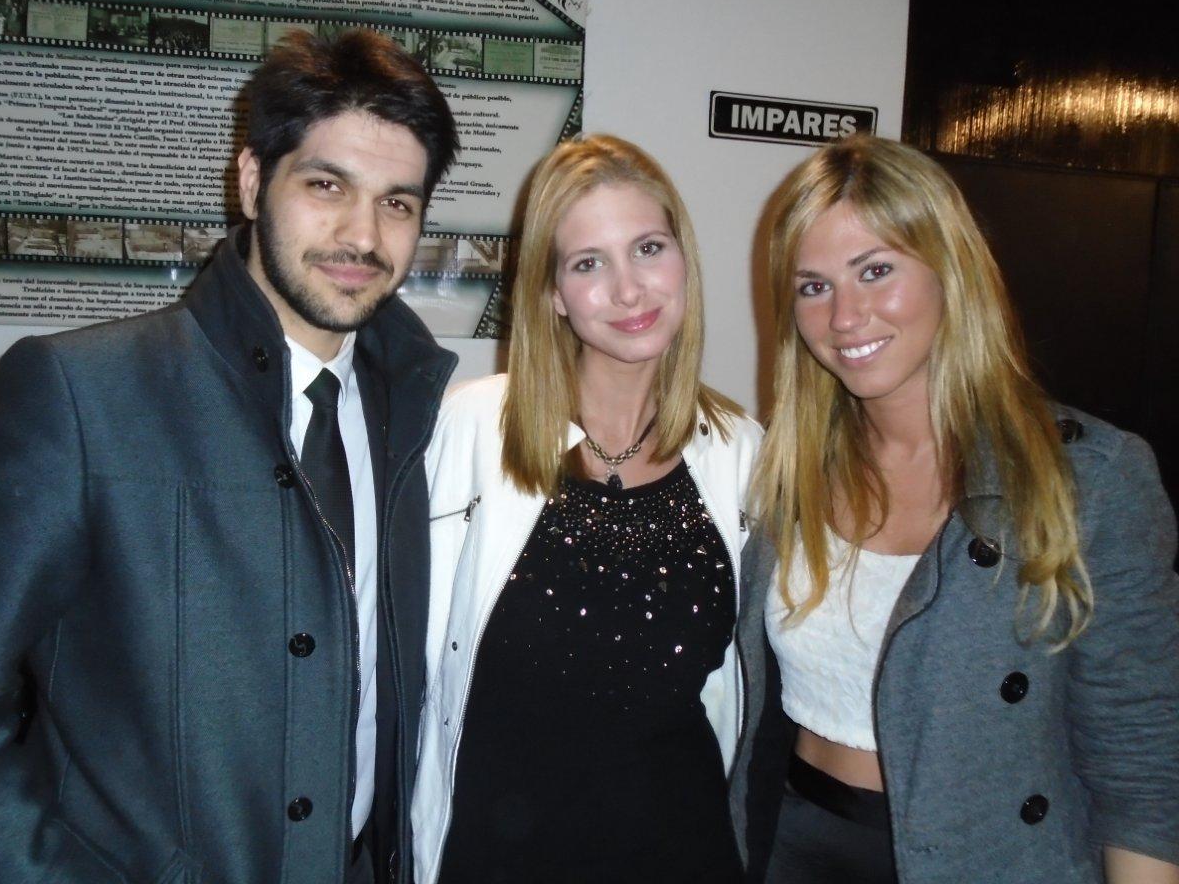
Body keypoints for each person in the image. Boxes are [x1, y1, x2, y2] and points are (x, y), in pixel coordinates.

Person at [0, 29, 459, 884]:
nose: (362, 233)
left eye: (398, 202)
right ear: (250, 181)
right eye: (326, 185)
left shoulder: (415, 416)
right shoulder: (79, 395)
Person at [728, 135, 1179, 883]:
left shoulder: (1088, 478)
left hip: (985, 859)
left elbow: (1143, 766)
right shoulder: (783, 471)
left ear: (950, 268)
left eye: (876, 271)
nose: (846, 316)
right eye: (813, 286)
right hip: (790, 845)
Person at [411, 134, 764, 883]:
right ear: (551, 294)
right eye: (588, 263)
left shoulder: (743, 455)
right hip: (495, 857)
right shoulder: (471, 429)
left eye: (648, 248)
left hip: (685, 855)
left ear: (684, 260)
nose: (629, 291)